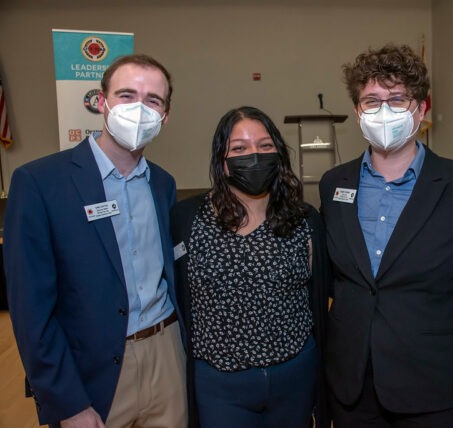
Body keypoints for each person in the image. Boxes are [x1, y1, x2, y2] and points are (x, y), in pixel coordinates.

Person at [4, 54, 187, 427]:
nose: (139, 108)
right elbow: (30, 310)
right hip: (92, 366)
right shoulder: (41, 183)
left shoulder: (163, 184)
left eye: (153, 100)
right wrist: (65, 402)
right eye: (126, 95)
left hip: (166, 353)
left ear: (165, 116)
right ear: (102, 102)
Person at [319, 44, 453, 427]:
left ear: (422, 109)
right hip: (354, 385)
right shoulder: (334, 184)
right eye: (371, 101)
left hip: (435, 384)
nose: (383, 111)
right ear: (357, 112)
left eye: (397, 99)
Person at [170, 106, 330, 428]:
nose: (254, 156)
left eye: (265, 146)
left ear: (279, 154)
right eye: (240, 149)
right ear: (222, 160)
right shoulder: (187, 219)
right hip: (220, 385)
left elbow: (320, 294)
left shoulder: (305, 219)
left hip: (295, 376)